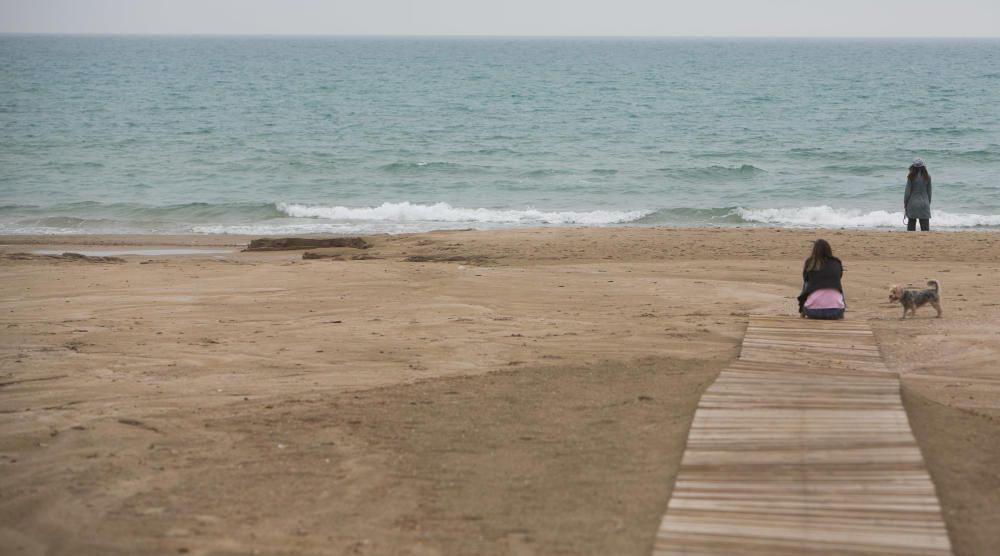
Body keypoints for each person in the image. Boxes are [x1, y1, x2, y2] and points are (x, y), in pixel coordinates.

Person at [797, 239, 845, 320]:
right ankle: (842, 312)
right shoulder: (836, 262)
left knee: (807, 284)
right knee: (836, 284)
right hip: (836, 312)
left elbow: (805, 279)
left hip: (812, 312)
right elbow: (839, 277)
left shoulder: (810, 262)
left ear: (814, 250)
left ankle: (802, 313)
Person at [904, 158, 932, 231]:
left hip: (912, 204)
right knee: (925, 230)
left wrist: (905, 204)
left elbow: (907, 193)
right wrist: (928, 203)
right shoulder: (927, 177)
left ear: (913, 167)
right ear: (923, 167)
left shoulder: (911, 177)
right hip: (924, 204)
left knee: (911, 228)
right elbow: (929, 193)